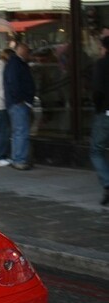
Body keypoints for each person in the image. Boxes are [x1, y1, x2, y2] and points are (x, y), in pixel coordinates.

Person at [4, 42, 36, 170]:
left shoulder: (17, 64)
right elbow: (14, 83)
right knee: (21, 131)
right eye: (27, 51)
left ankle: (18, 158)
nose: (29, 54)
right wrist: (20, 100)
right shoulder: (15, 64)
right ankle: (19, 159)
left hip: (19, 102)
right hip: (18, 103)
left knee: (20, 131)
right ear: (21, 51)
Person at [90, 35, 109, 206]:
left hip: (106, 113)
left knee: (96, 150)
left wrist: (98, 107)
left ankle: (107, 182)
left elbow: (97, 91)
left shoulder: (101, 64)